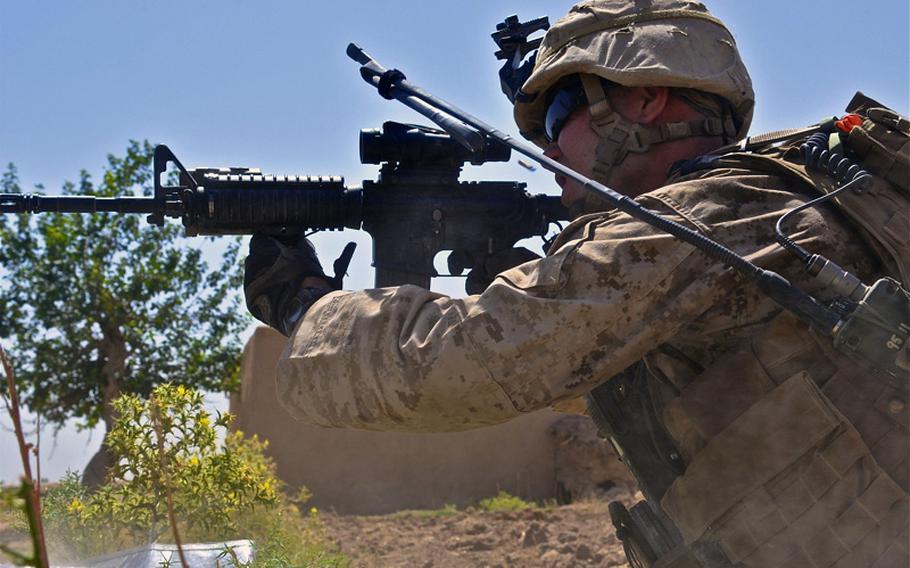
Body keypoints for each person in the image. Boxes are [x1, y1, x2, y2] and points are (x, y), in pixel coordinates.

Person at [243, 1, 909, 566]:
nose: (551, 149)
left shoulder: (702, 222)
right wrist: (519, 277)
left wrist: (305, 305)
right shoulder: (789, 197)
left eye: (560, 111)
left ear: (647, 97)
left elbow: (466, 364)